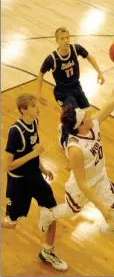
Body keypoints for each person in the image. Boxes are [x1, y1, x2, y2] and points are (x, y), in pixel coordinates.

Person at [38, 63, 114, 242]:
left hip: (100, 179)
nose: (89, 114)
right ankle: (48, 215)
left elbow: (113, 99)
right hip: (83, 186)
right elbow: (82, 184)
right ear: (79, 126)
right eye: (85, 116)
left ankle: (109, 229)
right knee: (70, 211)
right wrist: (100, 207)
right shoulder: (75, 149)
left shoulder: (94, 124)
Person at [1, 93, 68, 271]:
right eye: (33, 106)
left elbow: (34, 150)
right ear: (24, 110)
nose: (37, 108)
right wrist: (33, 154)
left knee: (52, 213)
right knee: (11, 224)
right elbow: (7, 166)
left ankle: (48, 251)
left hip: (35, 177)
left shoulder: (35, 123)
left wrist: (42, 168)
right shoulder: (15, 132)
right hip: (18, 183)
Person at [37, 27, 105, 147]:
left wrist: (99, 72)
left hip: (76, 87)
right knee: (75, 117)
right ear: (57, 41)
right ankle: (63, 139)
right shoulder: (52, 58)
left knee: (87, 113)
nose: (66, 40)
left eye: (67, 37)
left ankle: (64, 127)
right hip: (63, 92)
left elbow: (90, 57)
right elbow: (41, 74)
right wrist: (38, 94)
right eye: (62, 38)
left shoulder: (75, 48)